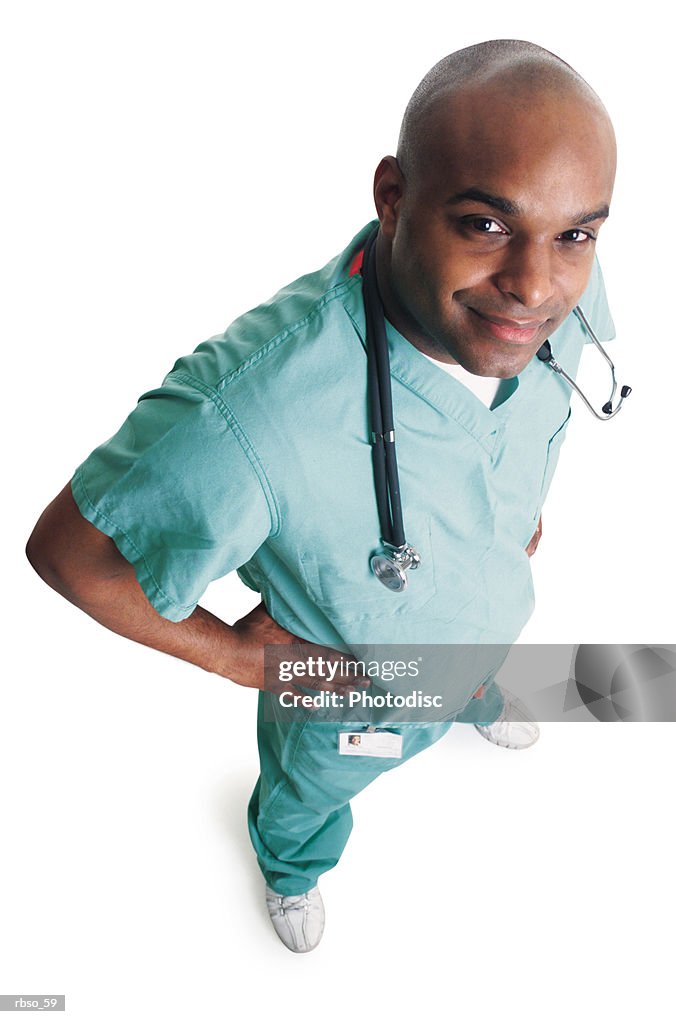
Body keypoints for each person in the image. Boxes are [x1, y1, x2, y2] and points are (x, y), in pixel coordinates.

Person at [26, 39, 617, 954]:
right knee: (309, 798)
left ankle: (476, 698)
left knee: (470, 660)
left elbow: (537, 397)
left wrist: (521, 506)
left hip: (481, 616)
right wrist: (240, 661)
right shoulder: (251, 409)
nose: (536, 285)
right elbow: (70, 554)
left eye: (575, 233)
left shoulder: (551, 293)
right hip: (343, 688)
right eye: (484, 225)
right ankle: (291, 867)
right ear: (392, 196)